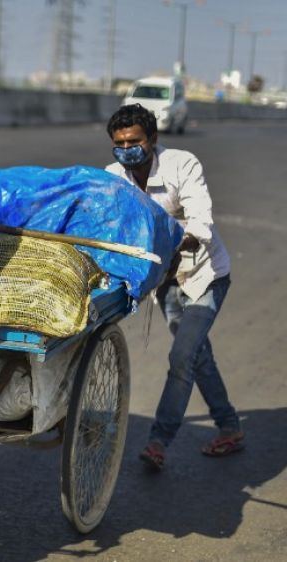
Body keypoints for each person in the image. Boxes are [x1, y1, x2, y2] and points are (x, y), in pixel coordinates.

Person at [104, 103, 243, 471]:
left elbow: (201, 217)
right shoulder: (113, 175)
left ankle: (158, 440)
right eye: (119, 143)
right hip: (165, 282)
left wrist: (183, 238)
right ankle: (229, 425)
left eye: (134, 141)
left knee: (182, 357)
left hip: (205, 276)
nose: (126, 149)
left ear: (152, 139)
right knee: (198, 355)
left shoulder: (182, 164)